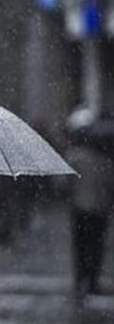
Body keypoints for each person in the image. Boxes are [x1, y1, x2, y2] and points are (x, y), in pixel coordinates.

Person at [65, 113, 114, 297]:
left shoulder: (76, 157)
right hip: (99, 210)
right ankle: (92, 280)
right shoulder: (106, 162)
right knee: (96, 246)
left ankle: (80, 279)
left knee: (80, 245)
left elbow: (63, 183)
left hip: (79, 209)